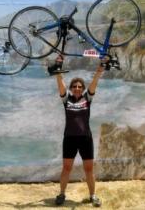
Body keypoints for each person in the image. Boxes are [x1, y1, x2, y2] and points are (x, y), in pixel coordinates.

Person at [49, 56, 104, 207]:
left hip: (86, 138)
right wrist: (58, 71)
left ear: (83, 88)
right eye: (74, 86)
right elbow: (60, 85)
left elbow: (94, 83)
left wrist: (99, 71)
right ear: (71, 89)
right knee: (66, 168)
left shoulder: (87, 98)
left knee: (89, 169)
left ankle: (93, 195)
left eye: (80, 86)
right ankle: (61, 194)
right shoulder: (67, 100)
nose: (77, 88)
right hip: (70, 139)